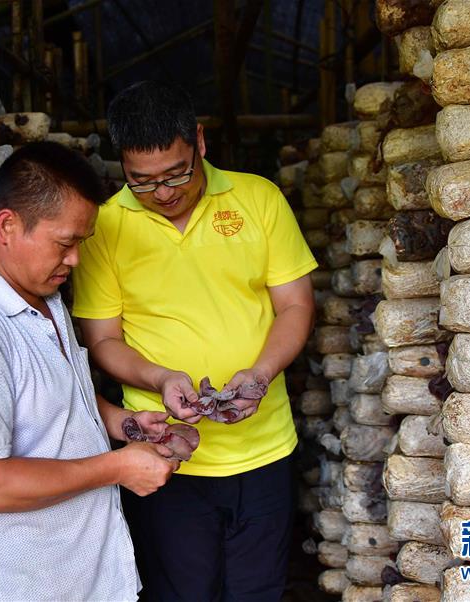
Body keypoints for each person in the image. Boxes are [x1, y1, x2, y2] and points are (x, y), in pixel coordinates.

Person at [72, 81, 318, 601]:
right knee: (180, 592)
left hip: (264, 450)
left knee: (259, 591)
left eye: (176, 173)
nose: (163, 192)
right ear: (122, 165)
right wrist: (160, 378)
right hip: (164, 455)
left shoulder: (258, 199)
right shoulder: (105, 226)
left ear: (200, 143)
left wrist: (260, 374)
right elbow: (102, 340)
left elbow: (295, 305)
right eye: (143, 181)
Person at [0, 141, 179, 601]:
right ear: (8, 226)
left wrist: (121, 422)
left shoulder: (41, 297)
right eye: (65, 243)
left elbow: (54, 390)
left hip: (90, 575)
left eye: (81, 242)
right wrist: (117, 467)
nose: (75, 259)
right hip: (30, 586)